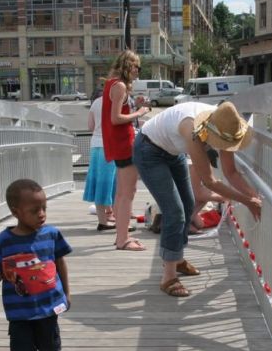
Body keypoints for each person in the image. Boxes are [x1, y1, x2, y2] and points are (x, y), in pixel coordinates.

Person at [133, 101, 262, 297]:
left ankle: (176, 258)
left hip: (173, 151)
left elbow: (231, 172)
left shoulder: (226, 124)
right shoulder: (192, 127)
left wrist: (254, 196)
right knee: (174, 210)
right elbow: (209, 181)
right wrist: (246, 201)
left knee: (187, 204)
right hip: (149, 150)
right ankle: (168, 277)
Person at [0, 179, 72, 351]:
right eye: (34, 210)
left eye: (44, 208)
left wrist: (67, 292)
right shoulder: (5, 240)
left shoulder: (52, 234)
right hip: (19, 311)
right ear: (16, 212)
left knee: (48, 341)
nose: (41, 214)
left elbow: (60, 262)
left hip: (48, 305)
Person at [102, 50, 151, 251]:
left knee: (122, 192)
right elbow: (115, 119)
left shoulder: (111, 84)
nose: (138, 71)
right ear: (128, 66)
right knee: (127, 192)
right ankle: (123, 239)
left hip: (117, 142)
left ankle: (120, 236)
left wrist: (133, 107)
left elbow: (115, 114)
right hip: (124, 143)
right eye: (136, 67)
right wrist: (139, 112)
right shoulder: (120, 86)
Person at [82, 91, 117, 230]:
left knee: (99, 183)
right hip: (110, 146)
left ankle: (102, 221)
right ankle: (112, 221)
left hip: (96, 145)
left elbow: (90, 126)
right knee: (113, 185)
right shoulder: (116, 102)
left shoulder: (96, 102)